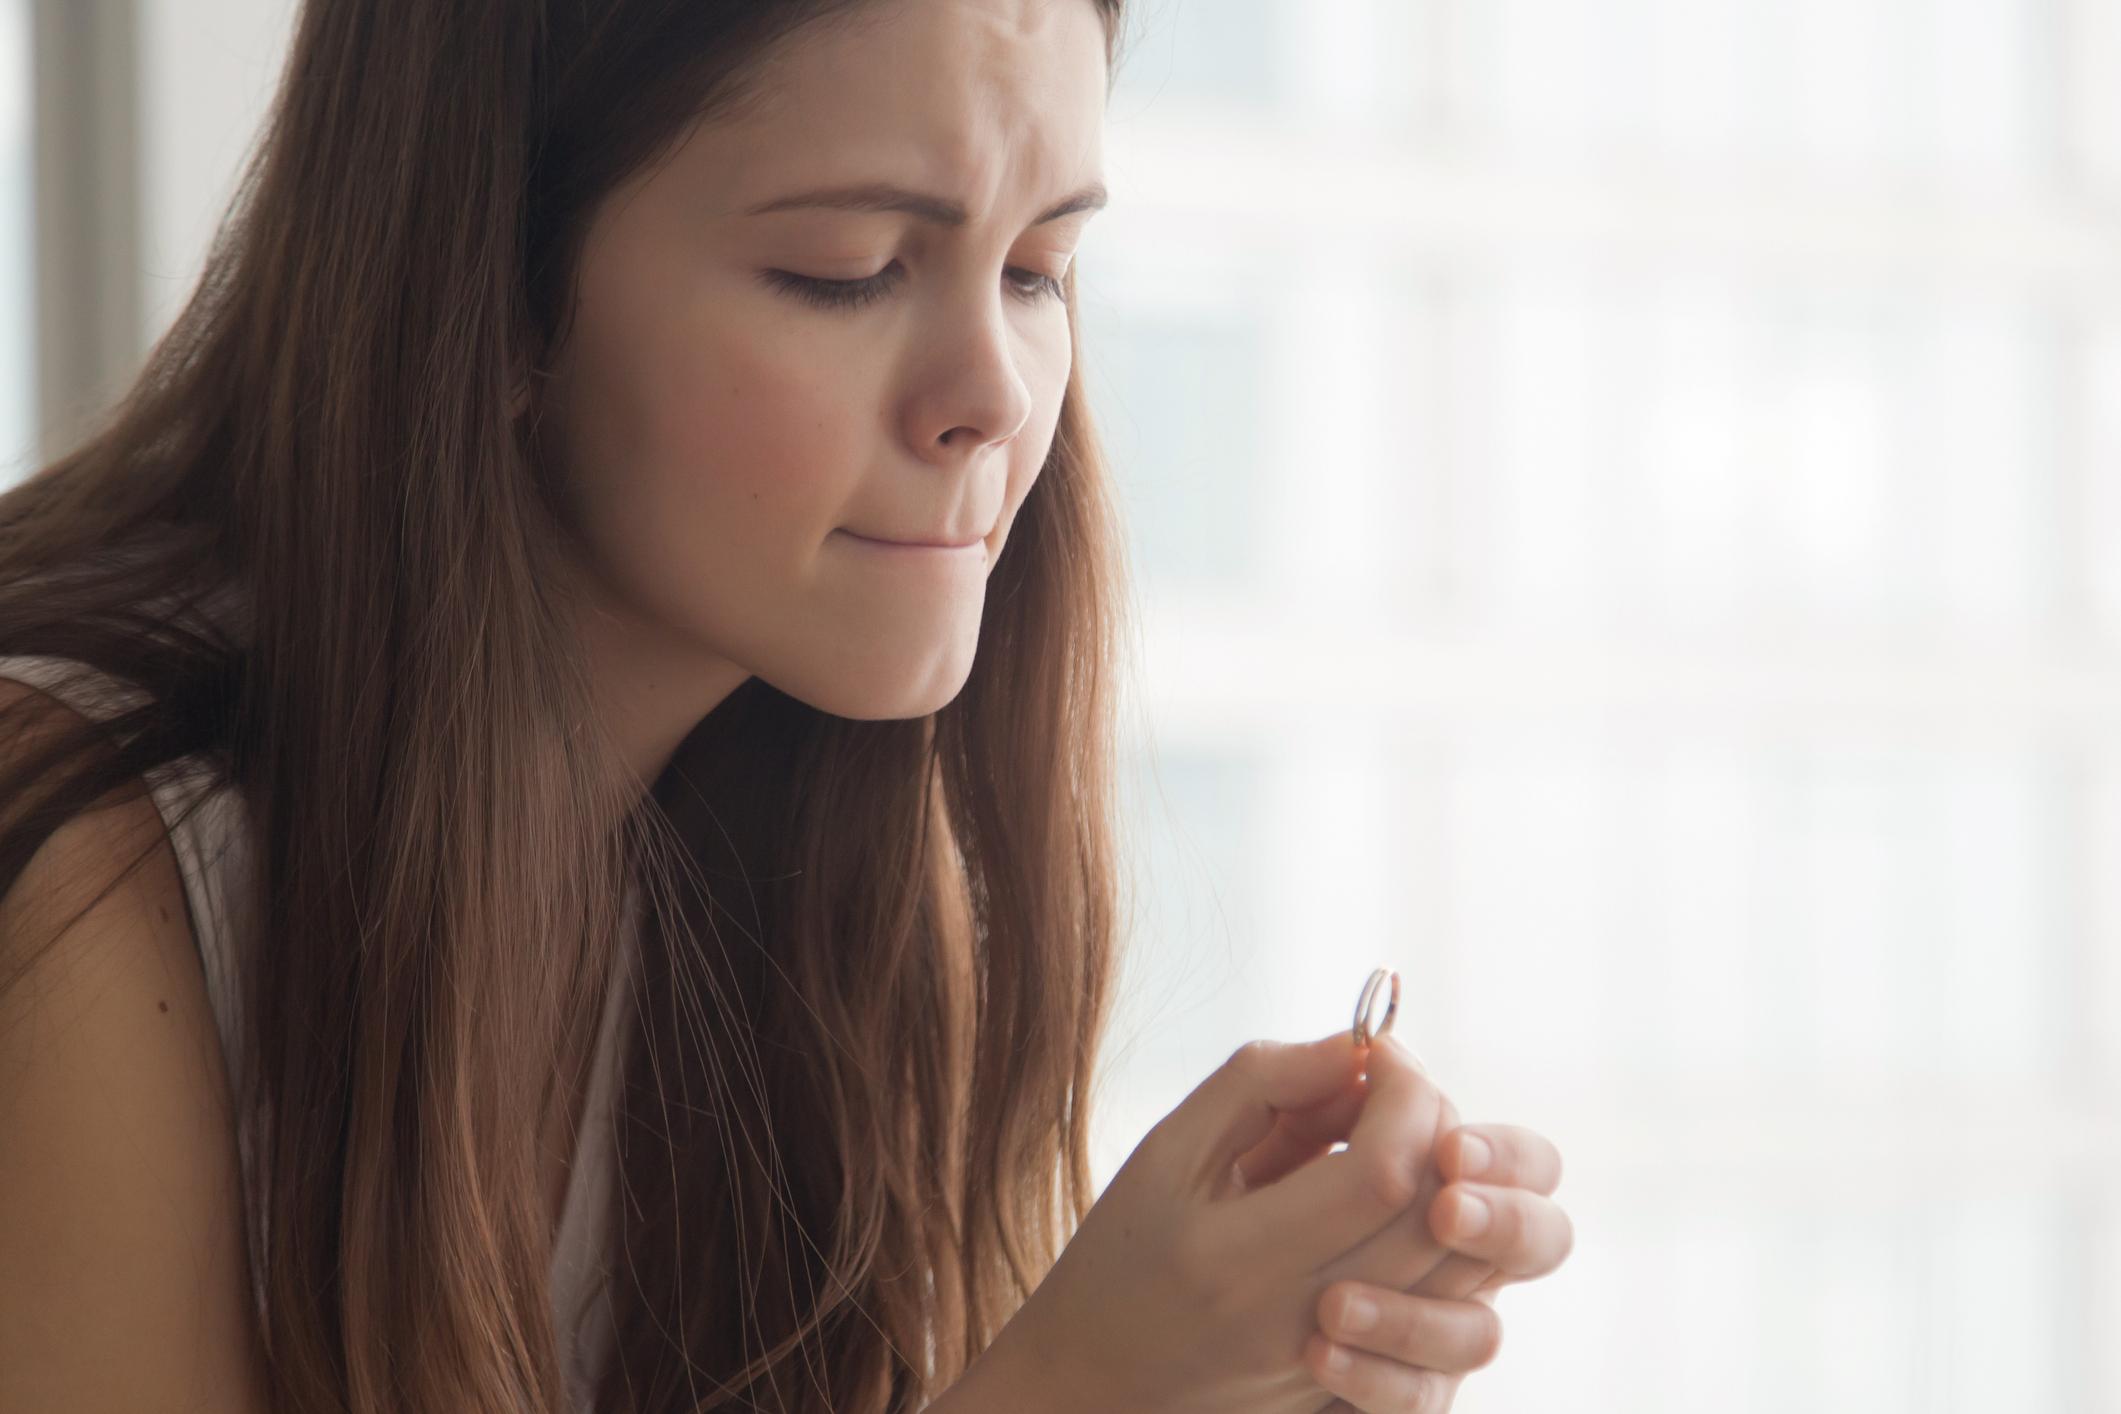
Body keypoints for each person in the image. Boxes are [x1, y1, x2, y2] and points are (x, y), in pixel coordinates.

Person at [0, 3, 1573, 1412]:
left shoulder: (829, 880)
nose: (996, 397)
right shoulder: (81, 867)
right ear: (491, 292)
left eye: (1037, 269)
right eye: (852, 271)